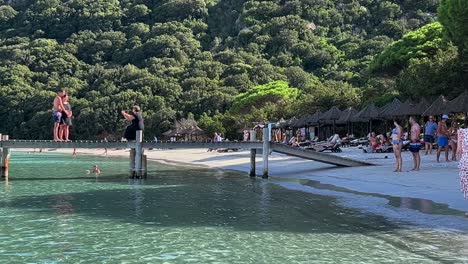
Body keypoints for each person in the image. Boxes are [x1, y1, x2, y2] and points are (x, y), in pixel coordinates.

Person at [456, 119, 468, 217]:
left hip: (465, 160)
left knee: (467, 185)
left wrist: (460, 159)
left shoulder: (462, 132)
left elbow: (459, 150)